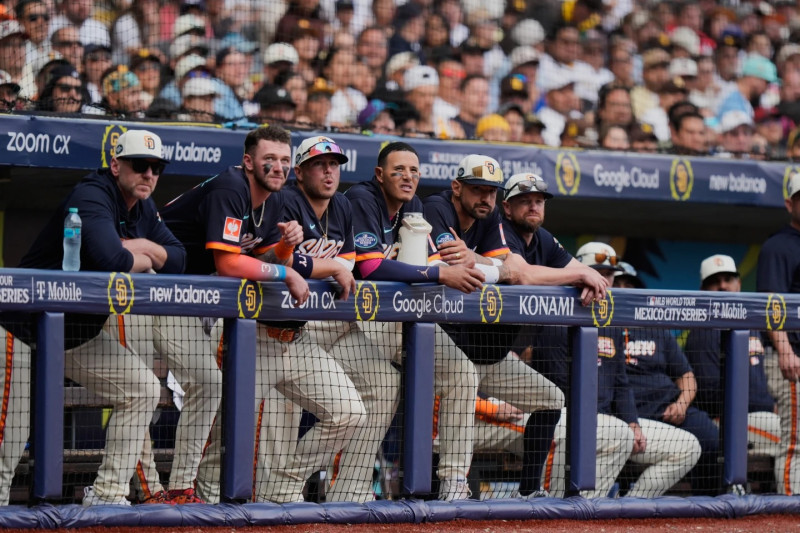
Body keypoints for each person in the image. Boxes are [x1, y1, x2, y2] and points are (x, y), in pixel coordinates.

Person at [0, 130, 185, 506]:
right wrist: (145, 252)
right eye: (140, 165)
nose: (149, 174)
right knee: (8, 440)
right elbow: (111, 261)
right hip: (20, 326)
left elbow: (179, 259)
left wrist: (144, 247)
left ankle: (106, 495)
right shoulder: (93, 194)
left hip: (75, 334)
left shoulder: (144, 206)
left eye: (156, 168)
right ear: (116, 165)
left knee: (143, 390)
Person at [158, 124, 310, 504]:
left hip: (193, 297)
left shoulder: (274, 199)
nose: (278, 168)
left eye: (285, 162)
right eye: (269, 160)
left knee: (188, 389)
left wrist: (287, 250)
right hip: (152, 289)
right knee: (170, 389)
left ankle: (180, 489)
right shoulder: (231, 187)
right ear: (248, 162)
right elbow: (229, 265)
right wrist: (286, 271)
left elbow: (261, 260)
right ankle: (173, 490)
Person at [343, 142, 487, 500]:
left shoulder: (415, 206)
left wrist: (455, 264)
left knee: (462, 373)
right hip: (345, 314)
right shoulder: (363, 198)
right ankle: (349, 486)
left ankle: (453, 481)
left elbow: (433, 258)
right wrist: (439, 273)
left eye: (413, 171)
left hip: (396, 316)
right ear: (380, 175)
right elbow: (369, 267)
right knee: (377, 388)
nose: (407, 177)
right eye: (398, 170)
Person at [423, 158, 565, 499]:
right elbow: (449, 261)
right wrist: (490, 265)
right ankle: (437, 489)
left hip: (490, 357)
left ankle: (529, 491)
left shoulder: (490, 221)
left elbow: (513, 270)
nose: (484, 198)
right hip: (443, 345)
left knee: (551, 399)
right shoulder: (437, 207)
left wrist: (481, 261)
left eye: (490, 191)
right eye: (477, 190)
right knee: (418, 413)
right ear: (457, 187)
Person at [251, 135, 373, 504]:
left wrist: (329, 267)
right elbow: (274, 259)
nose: (329, 171)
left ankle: (284, 487)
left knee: (350, 412)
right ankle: (206, 514)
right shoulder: (284, 200)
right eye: (320, 164)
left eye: (334, 164)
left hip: (298, 338)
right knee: (233, 437)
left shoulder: (342, 207)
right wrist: (330, 266)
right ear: (299, 172)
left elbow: (349, 267)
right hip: (253, 335)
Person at [610, 262, 721, 496]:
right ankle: (634, 506)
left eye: (629, 285)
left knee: (710, 436)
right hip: (625, 414)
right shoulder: (599, 326)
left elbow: (687, 376)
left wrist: (682, 403)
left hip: (666, 408)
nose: (623, 289)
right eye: (617, 284)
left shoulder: (654, 327)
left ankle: (705, 505)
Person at [684, 254, 782, 484]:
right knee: (790, 436)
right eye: (714, 281)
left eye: (728, 279)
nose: (723, 286)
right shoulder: (701, 333)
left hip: (761, 415)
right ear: (703, 289)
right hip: (726, 420)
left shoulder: (752, 325)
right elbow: (709, 392)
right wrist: (768, 405)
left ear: (738, 284)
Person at [756, 172, 800, 495]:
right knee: (796, 445)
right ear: (789, 203)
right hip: (793, 359)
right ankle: (791, 514)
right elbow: (772, 306)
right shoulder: (778, 246)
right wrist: (785, 350)